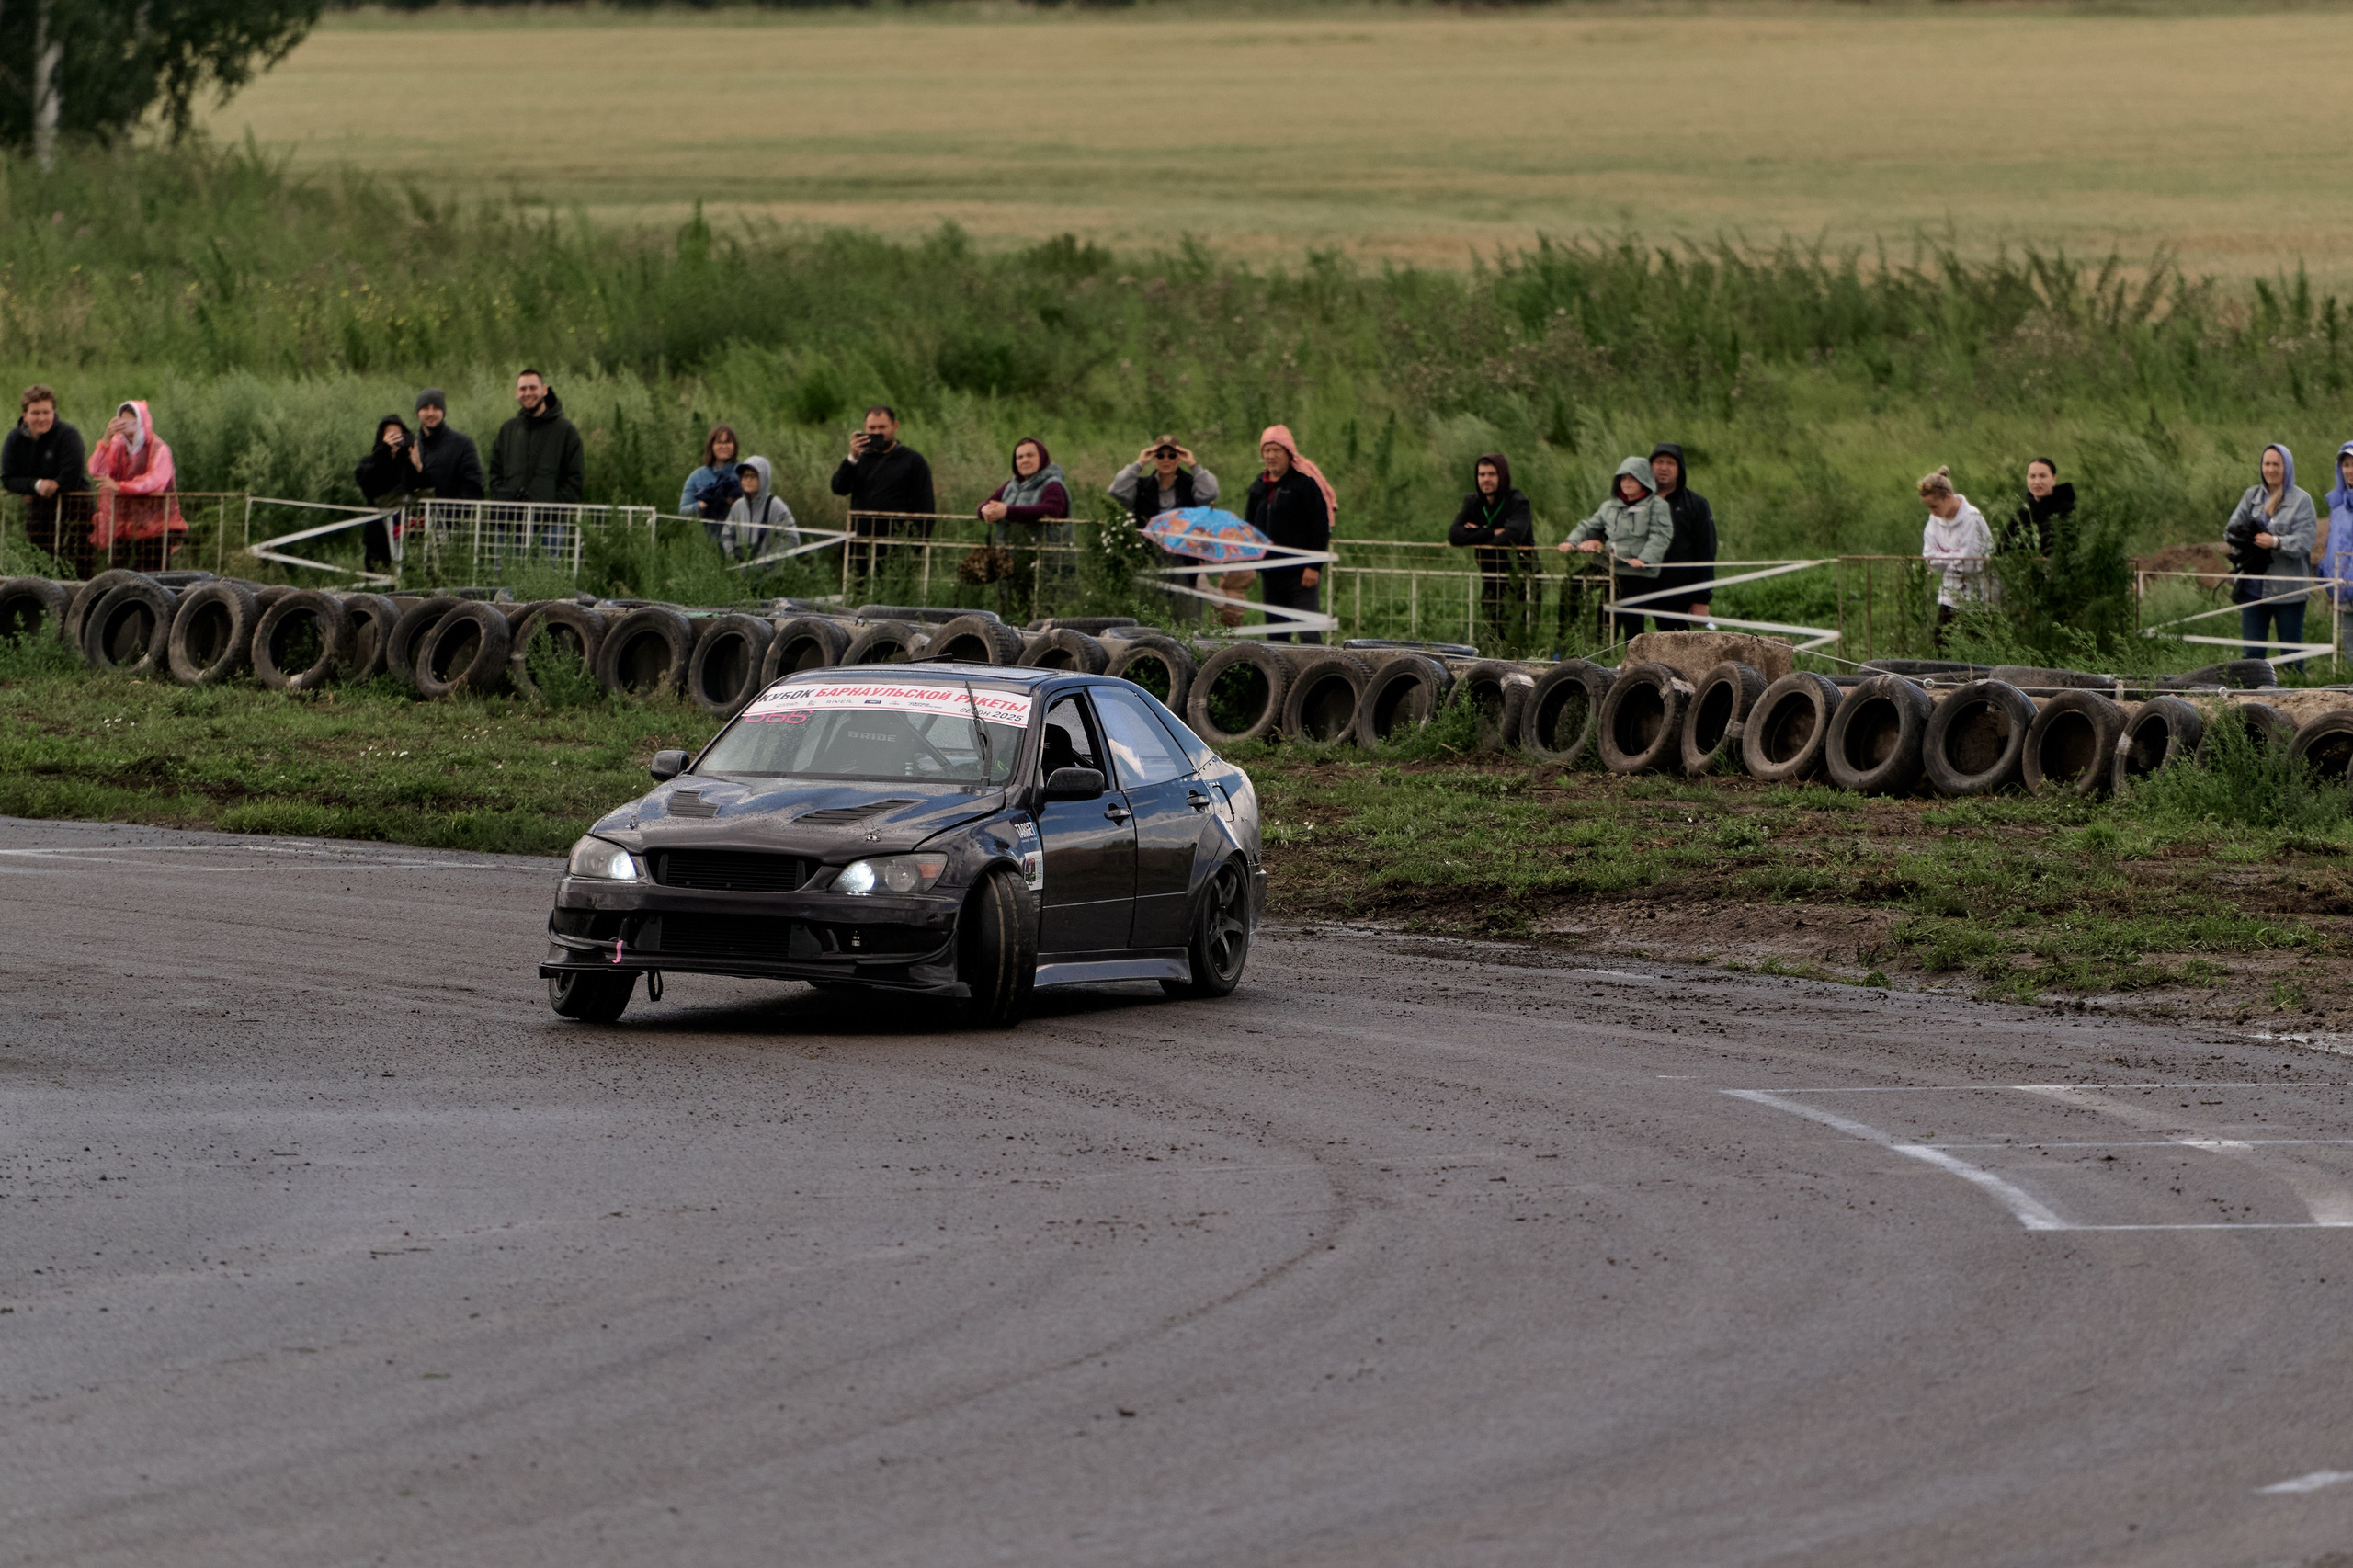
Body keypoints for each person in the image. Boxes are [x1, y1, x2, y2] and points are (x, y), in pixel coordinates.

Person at [1109, 435, 1232, 624]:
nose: (1166, 460)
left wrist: (1193, 464)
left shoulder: (1190, 484)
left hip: (1185, 557)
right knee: (1152, 616)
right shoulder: (1142, 486)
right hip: (1151, 558)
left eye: (1172, 455)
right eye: (1160, 455)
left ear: (1179, 457)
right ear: (1154, 458)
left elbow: (1210, 492)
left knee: (1187, 617)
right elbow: (1117, 491)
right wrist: (1139, 463)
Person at [1556, 457, 1675, 642]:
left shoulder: (1657, 506)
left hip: (1637, 570)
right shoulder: (1609, 506)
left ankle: (1633, 662)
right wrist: (1571, 541)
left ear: (1643, 479)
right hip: (1609, 564)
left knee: (1632, 618)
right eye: (1623, 478)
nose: (1626, 482)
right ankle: (1567, 640)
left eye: (1632, 478)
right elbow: (1589, 526)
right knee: (1574, 585)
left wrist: (1644, 559)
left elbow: (1660, 535)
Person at [1243, 425, 1335, 644]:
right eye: (1267, 451)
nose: (1271, 456)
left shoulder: (1304, 485)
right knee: (1276, 634)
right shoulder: (1258, 487)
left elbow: (1320, 527)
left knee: (1308, 632)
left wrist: (1314, 566)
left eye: (1276, 450)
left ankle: (1317, 677)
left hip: (1301, 573)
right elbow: (1249, 526)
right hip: (1270, 571)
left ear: (1288, 453)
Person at [2226, 442, 2318, 660]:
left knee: (2291, 653)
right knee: (2252, 655)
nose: (2270, 469)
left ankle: (2296, 691)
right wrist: (2246, 543)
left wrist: (2275, 542)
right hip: (2252, 589)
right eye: (2266, 464)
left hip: (2288, 590)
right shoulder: (2251, 496)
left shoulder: (2301, 501)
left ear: (2287, 467)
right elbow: (2229, 532)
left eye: (2276, 464)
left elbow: (2305, 541)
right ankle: (2252, 691)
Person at [829, 405, 935, 575]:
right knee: (856, 596)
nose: (877, 432)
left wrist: (914, 547)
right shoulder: (860, 459)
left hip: (896, 547)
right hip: (860, 545)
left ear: (895, 426)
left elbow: (926, 508)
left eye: (882, 427)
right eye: (872, 428)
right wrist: (852, 459)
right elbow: (839, 488)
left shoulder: (913, 461)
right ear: (864, 429)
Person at [86, 400, 185, 570]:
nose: (124, 426)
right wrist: (106, 439)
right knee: (120, 571)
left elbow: (156, 482)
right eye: (121, 420)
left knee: (154, 571)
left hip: (157, 525)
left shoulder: (159, 448)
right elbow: (96, 470)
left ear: (141, 421)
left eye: (130, 420)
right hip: (124, 524)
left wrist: (121, 487)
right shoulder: (118, 446)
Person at [1447, 452, 1534, 642]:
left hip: (1520, 577)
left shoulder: (1518, 502)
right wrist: (1490, 531)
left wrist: (1475, 534)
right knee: (1493, 632)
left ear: (1502, 476)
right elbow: (1454, 535)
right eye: (1482, 474)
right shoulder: (1473, 501)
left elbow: (1512, 536)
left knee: (1520, 634)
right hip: (1489, 574)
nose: (1486, 479)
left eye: (1492, 474)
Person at [1, 385, 88, 573]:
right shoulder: (15, 439)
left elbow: (71, 473)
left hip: (77, 507)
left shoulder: (68, 435)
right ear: (25, 415)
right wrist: (35, 485)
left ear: (54, 412)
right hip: (41, 511)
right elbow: (8, 478)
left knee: (80, 560)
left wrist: (49, 486)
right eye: (35, 413)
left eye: (46, 412)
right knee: (41, 560)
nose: (41, 418)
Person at [1916, 466, 1993, 646]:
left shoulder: (1971, 519)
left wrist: (1943, 557)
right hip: (1948, 594)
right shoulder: (1934, 521)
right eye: (1927, 507)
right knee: (1941, 644)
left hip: (1975, 595)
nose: (1931, 512)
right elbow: (1929, 558)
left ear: (1948, 497)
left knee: (1977, 643)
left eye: (1934, 506)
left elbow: (1969, 561)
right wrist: (1954, 557)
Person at [487, 369, 585, 505]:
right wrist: (502, 498)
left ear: (544, 390)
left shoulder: (566, 430)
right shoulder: (508, 430)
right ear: (516, 393)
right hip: (510, 519)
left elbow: (575, 477)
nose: (528, 393)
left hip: (550, 522)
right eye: (523, 389)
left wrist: (555, 507)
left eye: (533, 388)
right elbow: (495, 471)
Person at [1648, 442, 1717, 628]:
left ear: (1680, 468)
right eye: (1659, 462)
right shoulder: (1636, 500)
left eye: (1670, 463)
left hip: (1677, 591)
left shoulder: (1696, 504)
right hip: (1638, 584)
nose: (1664, 468)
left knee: (1676, 644)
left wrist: (1701, 599)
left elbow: (1706, 552)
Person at [979, 437, 1073, 551]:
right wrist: (985, 510)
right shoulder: (1010, 486)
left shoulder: (1053, 485)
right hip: (1008, 557)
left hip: (1046, 558)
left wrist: (1007, 512)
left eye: (1030, 455)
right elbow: (987, 504)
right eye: (1020, 457)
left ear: (1042, 458)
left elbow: (1052, 510)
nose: (1025, 460)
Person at [352, 414, 419, 570]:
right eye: (391, 435)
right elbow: (366, 483)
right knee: (378, 582)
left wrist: (417, 465)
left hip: (405, 537)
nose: (395, 439)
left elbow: (416, 487)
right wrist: (383, 451)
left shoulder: (406, 463)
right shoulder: (370, 461)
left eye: (398, 435)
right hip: (378, 536)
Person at [720, 456, 799, 563]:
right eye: (745, 476)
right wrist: (732, 555)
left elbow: (792, 539)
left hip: (770, 575)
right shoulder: (737, 506)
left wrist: (768, 558)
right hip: (741, 574)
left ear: (763, 478)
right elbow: (726, 535)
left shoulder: (776, 505)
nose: (748, 480)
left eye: (753, 476)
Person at [411, 389, 484, 502]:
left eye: (436, 408)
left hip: (450, 517)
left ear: (443, 412)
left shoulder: (463, 445)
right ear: (418, 413)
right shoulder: (412, 446)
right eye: (425, 408)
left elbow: (473, 488)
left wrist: (448, 514)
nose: (431, 413)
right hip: (416, 518)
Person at [2003, 457, 2075, 554]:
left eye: (2043, 476)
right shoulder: (2022, 513)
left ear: (2054, 479)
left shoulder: (2066, 510)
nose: (2037, 482)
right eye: (2032, 476)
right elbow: (2003, 550)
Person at [680, 425, 743, 527]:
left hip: (737, 536)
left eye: (728, 442)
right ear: (711, 446)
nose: (724, 446)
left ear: (734, 446)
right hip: (705, 538)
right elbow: (683, 512)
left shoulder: (743, 473)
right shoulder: (697, 476)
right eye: (719, 442)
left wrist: (736, 503)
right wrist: (701, 505)